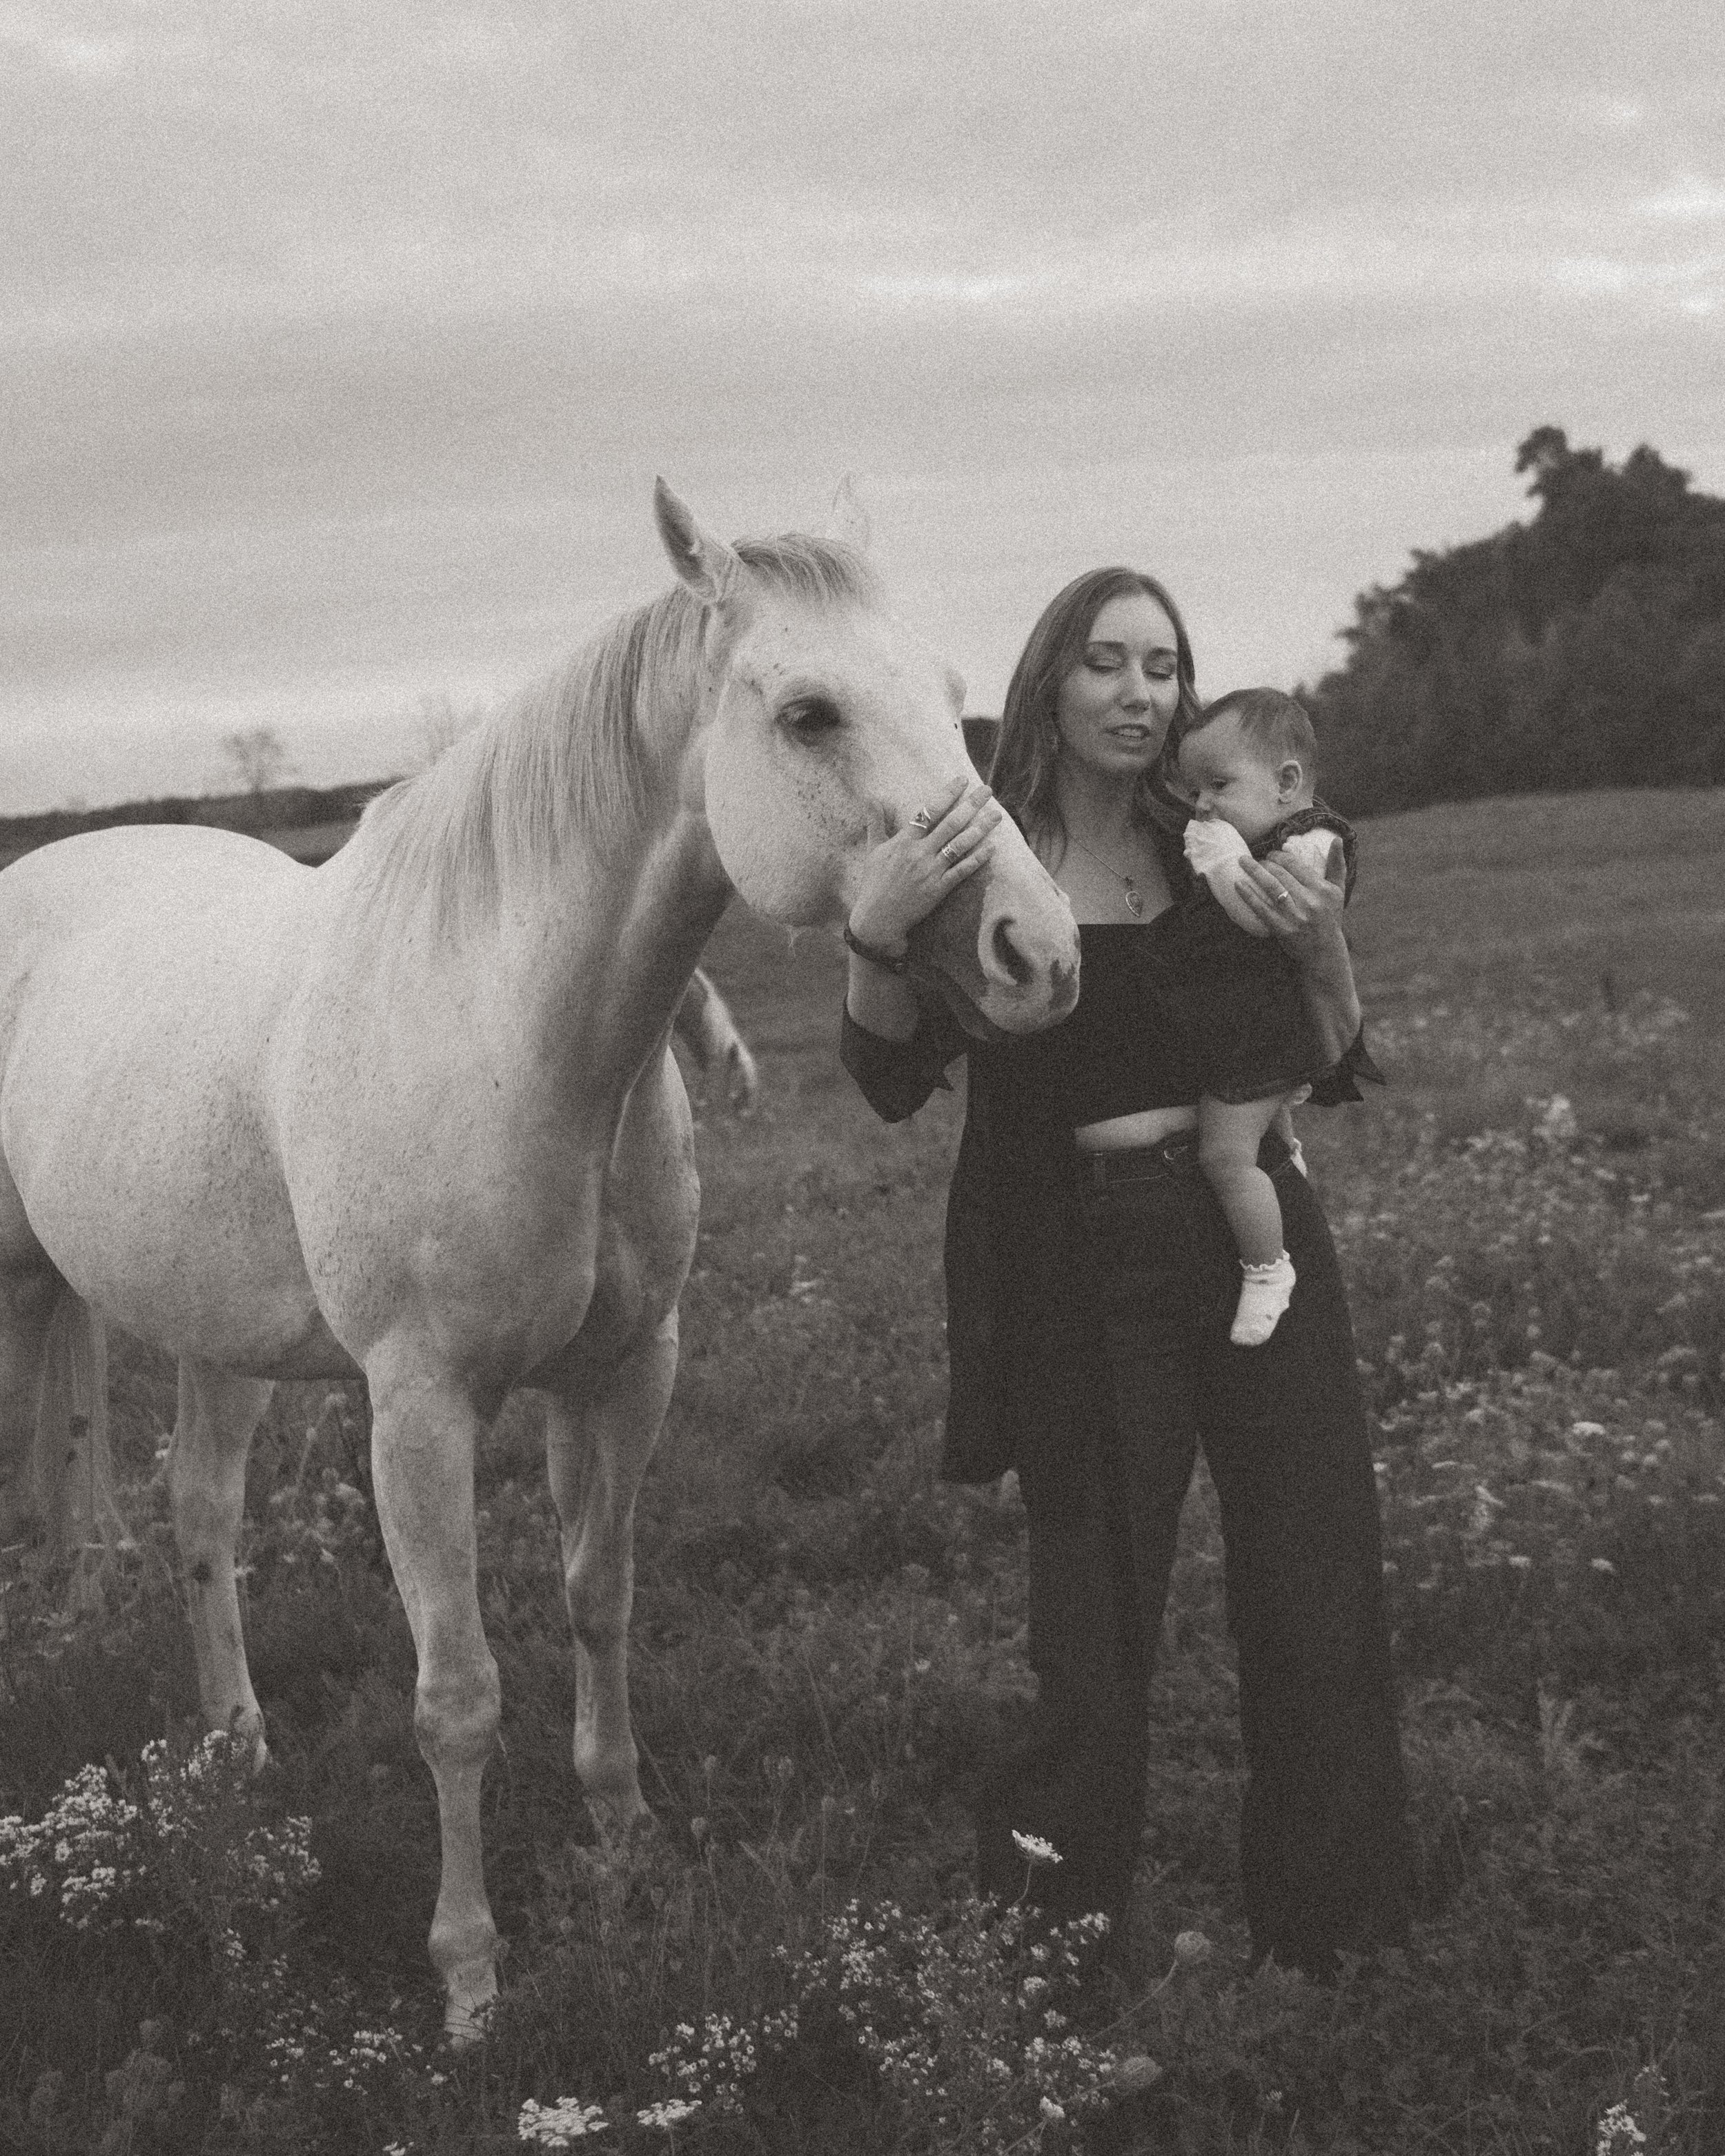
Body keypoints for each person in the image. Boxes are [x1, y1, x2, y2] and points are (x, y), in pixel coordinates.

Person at [838, 568, 1412, 1979]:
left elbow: (1327, 1053)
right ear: (1049, 680)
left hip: (1252, 1229)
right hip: (1077, 1256)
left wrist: (1320, 931)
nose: (1138, 692)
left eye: (1162, 664)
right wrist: (872, 932)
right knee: (1093, 1613)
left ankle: (1333, 1929)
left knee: (1312, 1566)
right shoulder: (982, 854)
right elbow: (890, 1077)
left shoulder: (1212, 832)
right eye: (1105, 661)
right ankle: (1052, 1956)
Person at [1166, 686, 1378, 1346]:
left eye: (1219, 785)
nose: (1203, 804)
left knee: (1225, 1155)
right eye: (1195, 789)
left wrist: (1218, 857)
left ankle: (1267, 1268)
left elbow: (1263, 919)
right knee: (1260, 1128)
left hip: (1269, 1037)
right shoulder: (1283, 835)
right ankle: (1287, 1150)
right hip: (1259, 1031)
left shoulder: (1310, 843)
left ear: (1287, 783)